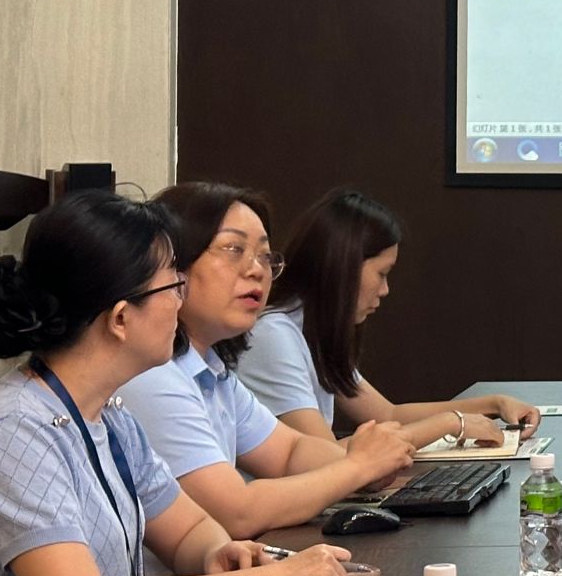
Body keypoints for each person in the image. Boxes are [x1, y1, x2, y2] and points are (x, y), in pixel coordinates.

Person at [0, 192, 350, 576]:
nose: (181, 302)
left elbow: (188, 531)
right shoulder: (11, 431)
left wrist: (218, 553)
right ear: (121, 318)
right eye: (173, 285)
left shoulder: (112, 417)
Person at [118, 183, 414, 540]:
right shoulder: (151, 375)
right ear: (171, 264)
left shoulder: (210, 368)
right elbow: (237, 513)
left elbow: (288, 452)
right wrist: (357, 468)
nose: (256, 270)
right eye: (234, 249)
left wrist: (367, 464)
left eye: (264, 256)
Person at [240, 189, 540, 448]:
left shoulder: (310, 328)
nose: (385, 290)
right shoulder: (273, 334)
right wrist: (451, 423)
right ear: (343, 268)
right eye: (382, 273)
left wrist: (494, 404)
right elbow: (324, 456)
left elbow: (388, 414)